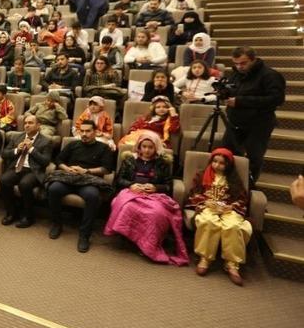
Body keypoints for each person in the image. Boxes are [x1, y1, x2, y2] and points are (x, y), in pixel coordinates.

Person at [104, 131, 188, 265]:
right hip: (131, 193)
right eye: (144, 146)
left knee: (156, 213)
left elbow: (168, 185)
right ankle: (128, 239)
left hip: (154, 196)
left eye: (150, 147)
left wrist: (155, 187)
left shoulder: (162, 162)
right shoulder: (129, 159)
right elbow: (119, 179)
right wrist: (131, 185)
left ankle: (147, 245)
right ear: (139, 146)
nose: (147, 150)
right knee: (127, 207)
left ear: (156, 148)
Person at [45, 121, 116, 253]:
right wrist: (67, 168)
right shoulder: (73, 144)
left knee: (92, 196)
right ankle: (57, 224)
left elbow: (106, 169)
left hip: (88, 180)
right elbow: (58, 160)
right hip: (69, 178)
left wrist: (86, 171)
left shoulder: (103, 148)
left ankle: (84, 234)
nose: (84, 134)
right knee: (53, 189)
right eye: (82, 131)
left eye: (88, 131)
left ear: (95, 132)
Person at [187, 148, 251, 285]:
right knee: (209, 222)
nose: (217, 165)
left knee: (233, 226)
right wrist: (206, 202)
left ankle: (232, 263)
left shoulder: (233, 179)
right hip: (209, 207)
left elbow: (242, 198)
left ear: (228, 165)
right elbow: (194, 194)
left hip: (228, 208)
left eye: (221, 163)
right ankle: (205, 258)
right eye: (215, 161)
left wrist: (232, 206)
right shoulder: (202, 175)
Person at [221, 47, 286, 182]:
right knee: (227, 154)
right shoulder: (235, 74)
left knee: (253, 158)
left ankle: (248, 186)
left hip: (259, 123)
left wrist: (240, 101)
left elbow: (276, 99)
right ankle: (227, 184)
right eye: (236, 63)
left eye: (243, 63)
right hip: (235, 122)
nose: (239, 67)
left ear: (253, 59)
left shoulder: (270, 75)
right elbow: (232, 91)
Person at [0, 114, 53, 228]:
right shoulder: (17, 137)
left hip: (33, 170)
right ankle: (11, 212)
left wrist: (32, 149)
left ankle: (28, 216)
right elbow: (4, 154)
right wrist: (16, 150)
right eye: (25, 123)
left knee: (25, 184)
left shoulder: (46, 141)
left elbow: (45, 161)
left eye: (30, 123)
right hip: (17, 167)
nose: (27, 125)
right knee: (3, 180)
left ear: (38, 125)